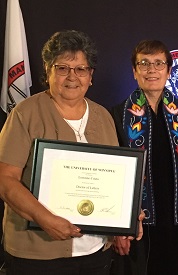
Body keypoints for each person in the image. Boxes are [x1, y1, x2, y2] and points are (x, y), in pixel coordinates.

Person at [0, 30, 142, 275]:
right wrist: (43, 218)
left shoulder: (103, 116)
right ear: (48, 71)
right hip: (39, 254)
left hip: (95, 252)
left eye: (81, 69)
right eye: (63, 68)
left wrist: (127, 216)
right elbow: (5, 180)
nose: (72, 77)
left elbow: (113, 180)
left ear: (91, 76)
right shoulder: (25, 114)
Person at [110, 39, 178, 275]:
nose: (152, 70)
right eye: (144, 64)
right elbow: (113, 174)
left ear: (169, 71)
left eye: (159, 63)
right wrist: (119, 226)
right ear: (134, 71)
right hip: (139, 222)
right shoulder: (118, 115)